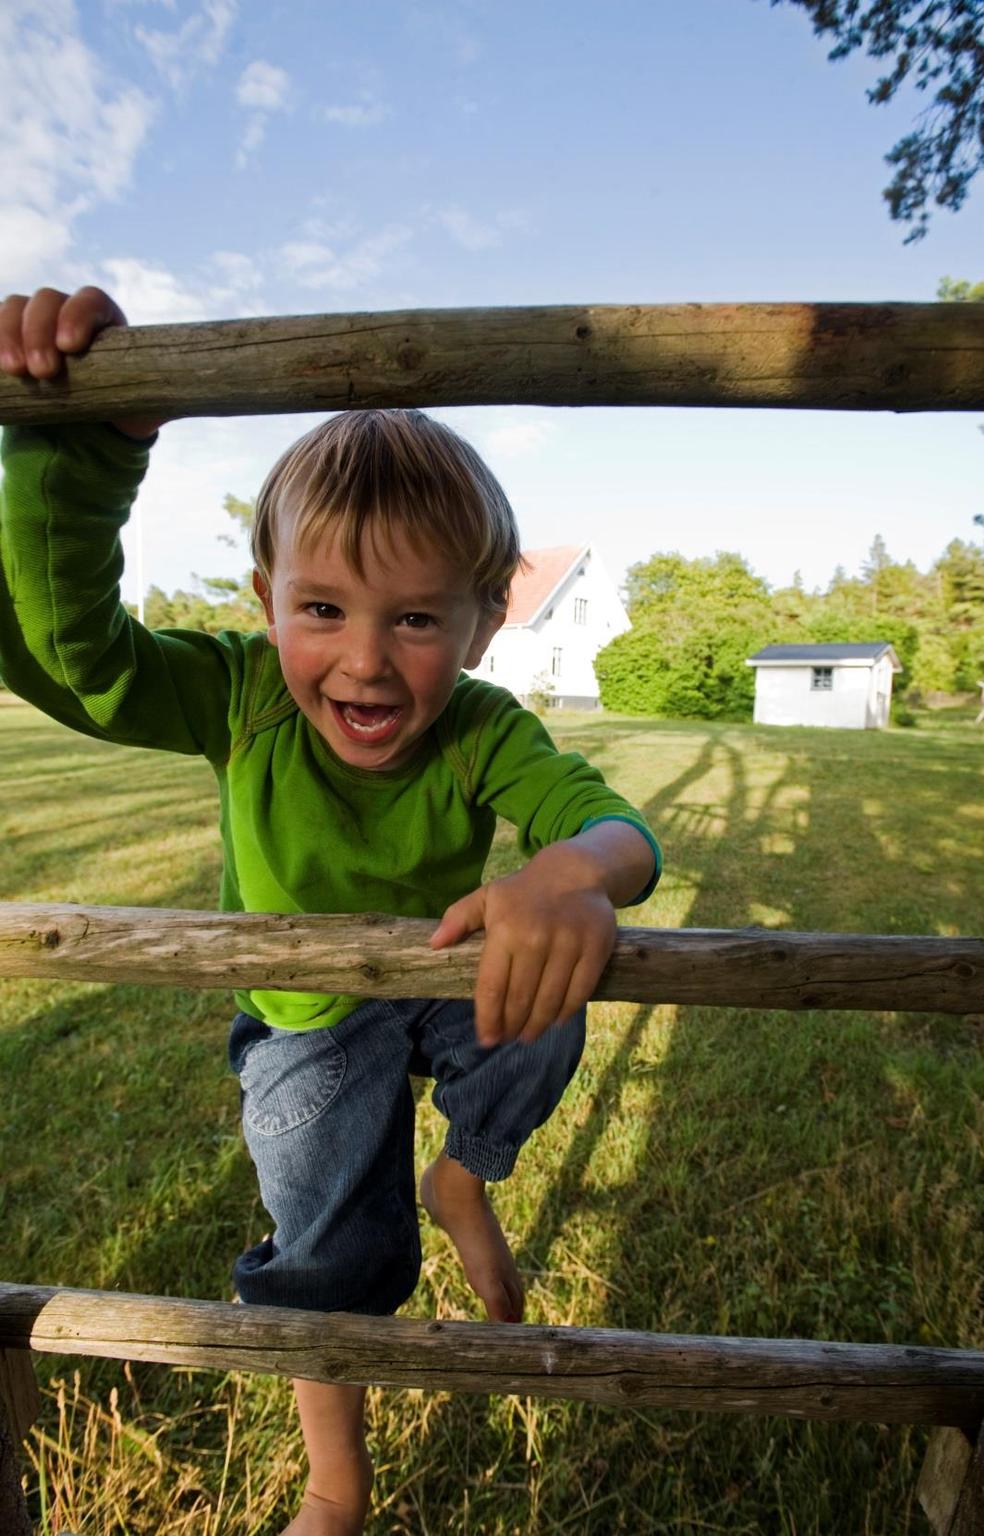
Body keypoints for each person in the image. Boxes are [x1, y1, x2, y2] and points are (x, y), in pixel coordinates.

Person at [0, 285, 660, 1536]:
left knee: (557, 998)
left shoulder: (480, 726)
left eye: (414, 618)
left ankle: (464, 1173)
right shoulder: (238, 699)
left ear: (481, 624)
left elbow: (608, 818)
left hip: (445, 989)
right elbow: (69, 656)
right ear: (265, 599)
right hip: (305, 1020)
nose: (363, 659)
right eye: (323, 610)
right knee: (328, 1252)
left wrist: (569, 874)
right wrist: (85, 442)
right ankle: (333, 1483)